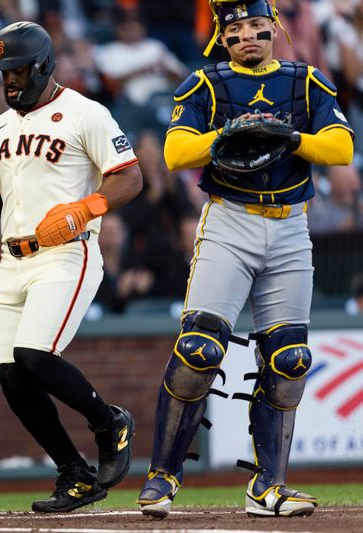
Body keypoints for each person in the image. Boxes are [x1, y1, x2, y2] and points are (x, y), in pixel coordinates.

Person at [136, 0, 355, 519]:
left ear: (274, 29)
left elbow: (341, 148)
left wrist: (290, 136)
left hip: (290, 226)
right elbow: (175, 153)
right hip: (229, 220)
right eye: (237, 29)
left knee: (290, 360)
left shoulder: (308, 81)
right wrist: (225, 137)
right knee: (199, 349)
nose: (249, 36)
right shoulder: (204, 84)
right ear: (223, 36)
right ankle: (163, 476)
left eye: (258, 26)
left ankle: (268, 486)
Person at [0, 22, 142, 513]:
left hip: (66, 253)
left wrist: (87, 207)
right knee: (12, 377)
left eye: (17, 70)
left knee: (34, 355)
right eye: (3, 73)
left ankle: (109, 422)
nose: (9, 81)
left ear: (44, 65)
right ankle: (74, 473)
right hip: (11, 261)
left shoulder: (85, 113)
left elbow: (130, 177)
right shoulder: (0, 125)